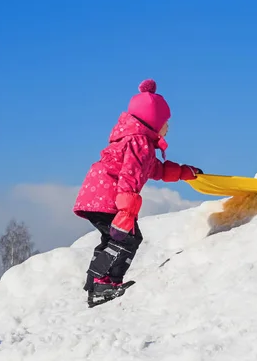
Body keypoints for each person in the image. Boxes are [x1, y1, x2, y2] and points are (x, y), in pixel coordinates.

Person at [73, 79, 202, 302]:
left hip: (97, 193)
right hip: (108, 196)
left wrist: (183, 172)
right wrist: (126, 213)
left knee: (112, 238)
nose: (168, 127)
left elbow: (154, 169)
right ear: (153, 121)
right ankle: (104, 284)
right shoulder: (139, 142)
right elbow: (130, 176)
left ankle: (96, 283)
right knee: (127, 238)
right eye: (165, 122)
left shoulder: (136, 141)